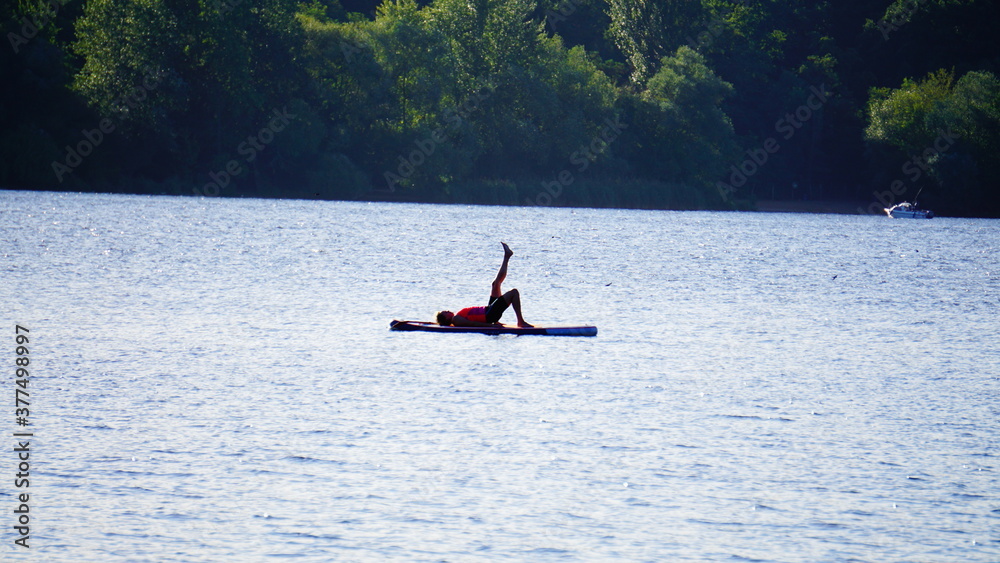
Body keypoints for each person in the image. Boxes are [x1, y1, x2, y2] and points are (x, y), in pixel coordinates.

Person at [436, 242, 533, 328]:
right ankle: (520, 322)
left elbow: (474, 320)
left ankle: (507, 256)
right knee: (514, 293)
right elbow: (473, 324)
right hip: (489, 314)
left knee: (496, 284)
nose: (448, 310)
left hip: (489, 311)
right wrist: (490, 325)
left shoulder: (457, 317)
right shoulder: (455, 320)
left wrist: (494, 322)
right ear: (445, 318)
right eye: (445, 312)